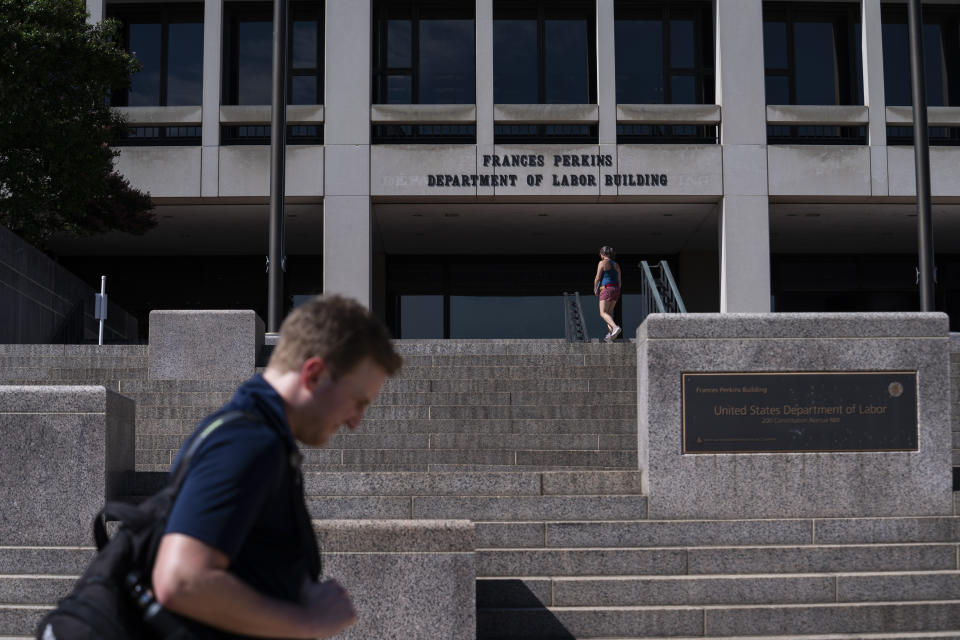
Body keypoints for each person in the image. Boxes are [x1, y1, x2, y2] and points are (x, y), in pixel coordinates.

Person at [151, 295, 402, 639]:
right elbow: (181, 581)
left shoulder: (255, 435)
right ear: (313, 374)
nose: (356, 422)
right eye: (358, 402)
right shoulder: (247, 442)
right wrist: (310, 622)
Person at [593, 246, 622, 341]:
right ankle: (610, 333)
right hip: (616, 289)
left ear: (603, 254)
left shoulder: (602, 262)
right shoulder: (616, 265)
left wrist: (595, 289)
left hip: (606, 289)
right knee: (608, 313)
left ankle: (615, 327)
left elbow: (597, 278)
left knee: (602, 313)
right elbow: (619, 281)